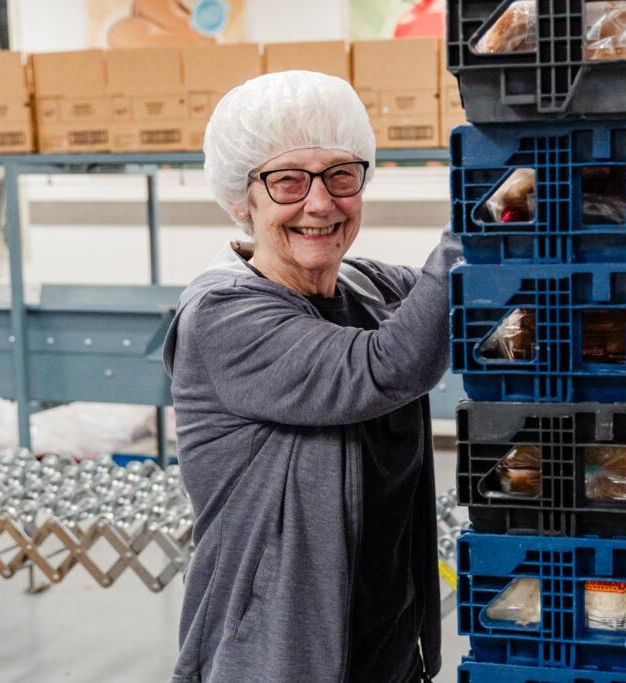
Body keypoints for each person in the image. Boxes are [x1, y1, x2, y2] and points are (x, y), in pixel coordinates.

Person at [162, 70, 460, 683]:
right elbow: (389, 365)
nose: (320, 203)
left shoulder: (368, 286)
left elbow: (469, 304)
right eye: (287, 181)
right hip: (276, 659)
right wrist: (484, 208)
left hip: (388, 652)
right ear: (242, 199)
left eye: (340, 176)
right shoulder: (223, 314)